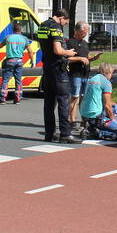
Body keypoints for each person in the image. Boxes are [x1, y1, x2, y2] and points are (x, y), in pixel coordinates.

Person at [35, 9, 79, 143]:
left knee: (48, 103)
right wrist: (69, 53)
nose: (64, 25)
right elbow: (58, 50)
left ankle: (49, 134)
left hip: (47, 68)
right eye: (65, 22)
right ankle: (65, 134)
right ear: (61, 18)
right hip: (58, 69)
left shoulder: (42, 25)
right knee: (63, 101)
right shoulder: (55, 27)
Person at [67, 21, 100, 127]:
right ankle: (72, 119)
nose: (85, 34)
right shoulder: (70, 42)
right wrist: (80, 58)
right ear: (77, 31)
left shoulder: (85, 43)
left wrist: (93, 58)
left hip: (85, 73)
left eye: (86, 32)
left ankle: (83, 118)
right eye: (83, 32)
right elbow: (67, 58)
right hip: (75, 74)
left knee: (83, 97)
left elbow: (87, 57)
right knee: (75, 97)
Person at [80, 63, 117, 140]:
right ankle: (97, 132)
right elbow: (107, 105)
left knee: (113, 108)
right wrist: (112, 119)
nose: (111, 76)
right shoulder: (106, 83)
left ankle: (91, 128)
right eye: (111, 73)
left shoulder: (91, 79)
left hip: (84, 114)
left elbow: (98, 98)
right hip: (96, 116)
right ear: (108, 72)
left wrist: (114, 104)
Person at [0, 23, 31, 104]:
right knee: (18, 80)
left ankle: (3, 98)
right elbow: (30, 51)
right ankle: (17, 98)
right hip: (19, 61)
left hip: (10, 61)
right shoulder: (24, 38)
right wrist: (32, 60)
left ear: (13, 30)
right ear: (21, 30)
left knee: (6, 80)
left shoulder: (8, 37)